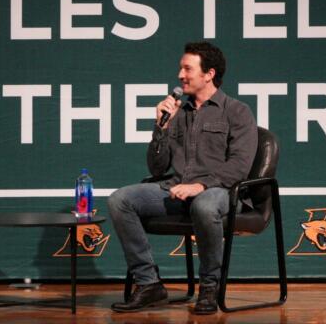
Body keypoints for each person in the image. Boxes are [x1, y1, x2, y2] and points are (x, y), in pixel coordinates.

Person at [108, 41, 257, 314]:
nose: (180, 75)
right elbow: (156, 168)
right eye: (180, 68)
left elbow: (239, 166)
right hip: (176, 188)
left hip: (222, 192)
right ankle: (149, 283)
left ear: (209, 74)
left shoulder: (237, 111)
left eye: (187, 68)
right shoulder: (177, 114)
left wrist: (199, 186)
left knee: (204, 204)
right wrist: (160, 128)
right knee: (120, 200)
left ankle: (209, 287)